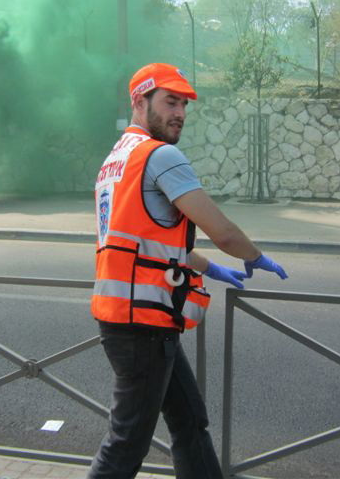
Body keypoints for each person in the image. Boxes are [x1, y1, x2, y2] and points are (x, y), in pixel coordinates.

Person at [88, 63, 288, 479]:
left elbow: (148, 245)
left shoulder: (115, 161)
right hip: (141, 322)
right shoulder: (160, 155)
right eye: (170, 101)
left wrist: (212, 268)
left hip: (137, 319)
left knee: (190, 422)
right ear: (139, 102)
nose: (180, 112)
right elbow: (224, 231)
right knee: (125, 446)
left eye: (183, 104)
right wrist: (251, 257)